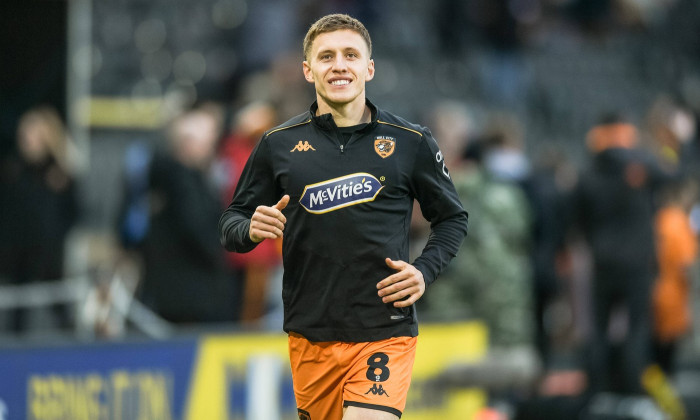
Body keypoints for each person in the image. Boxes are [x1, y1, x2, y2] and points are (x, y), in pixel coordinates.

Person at [219, 14, 468, 420]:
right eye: (327, 56)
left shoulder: (410, 141)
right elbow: (230, 224)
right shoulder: (276, 145)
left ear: (368, 67)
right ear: (308, 69)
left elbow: (452, 218)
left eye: (351, 55)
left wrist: (424, 270)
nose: (339, 65)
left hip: (384, 329)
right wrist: (249, 228)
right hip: (310, 333)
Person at [0, 106, 78, 333]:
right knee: (17, 319)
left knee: (62, 314)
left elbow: (73, 212)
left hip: (48, 257)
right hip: (17, 258)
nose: (27, 141)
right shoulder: (12, 170)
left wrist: (54, 237)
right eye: (24, 136)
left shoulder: (60, 174)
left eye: (33, 135)